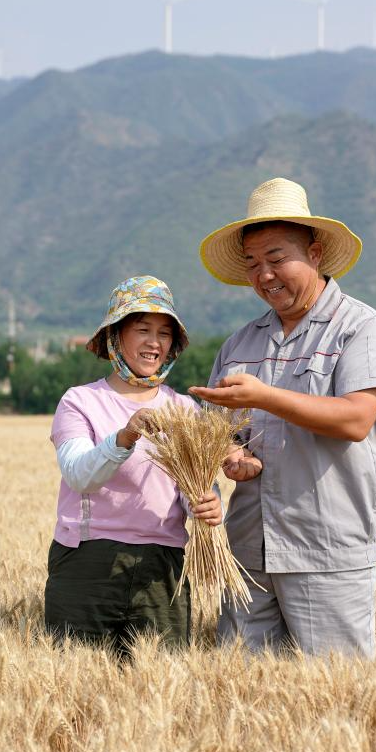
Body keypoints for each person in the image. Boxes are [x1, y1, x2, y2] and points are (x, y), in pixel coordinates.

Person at [189, 178, 376, 660]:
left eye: (276, 258)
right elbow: (217, 435)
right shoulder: (240, 343)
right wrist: (230, 455)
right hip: (247, 551)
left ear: (314, 253)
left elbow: (354, 419)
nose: (264, 275)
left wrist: (265, 397)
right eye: (253, 263)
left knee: (336, 703)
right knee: (239, 701)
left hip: (325, 549)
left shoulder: (363, 329)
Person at [45, 275, 222, 656]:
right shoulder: (80, 402)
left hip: (162, 564)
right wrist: (125, 436)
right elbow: (78, 474)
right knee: (75, 685)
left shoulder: (185, 410)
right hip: (88, 561)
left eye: (164, 333)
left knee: (160, 691)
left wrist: (207, 502)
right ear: (116, 336)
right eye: (142, 329)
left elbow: (194, 488)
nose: (154, 343)